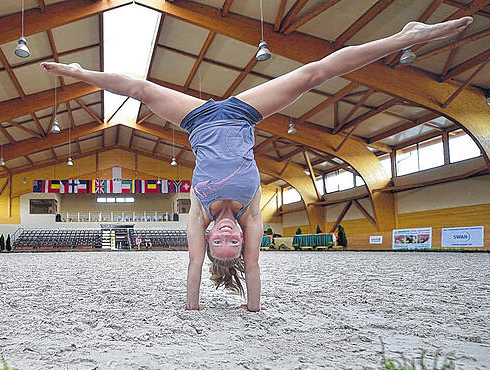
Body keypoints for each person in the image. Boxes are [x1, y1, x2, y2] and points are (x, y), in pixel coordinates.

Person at [41, 17, 473, 311]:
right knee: (314, 74)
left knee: (137, 86)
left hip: (196, 118)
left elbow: (193, 267)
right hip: (245, 113)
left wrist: (193, 310)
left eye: (220, 242)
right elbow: (253, 265)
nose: (229, 235)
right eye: (235, 242)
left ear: (210, 239)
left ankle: (81, 72)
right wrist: (253, 309)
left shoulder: (198, 213)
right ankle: (405, 38)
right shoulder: (251, 216)